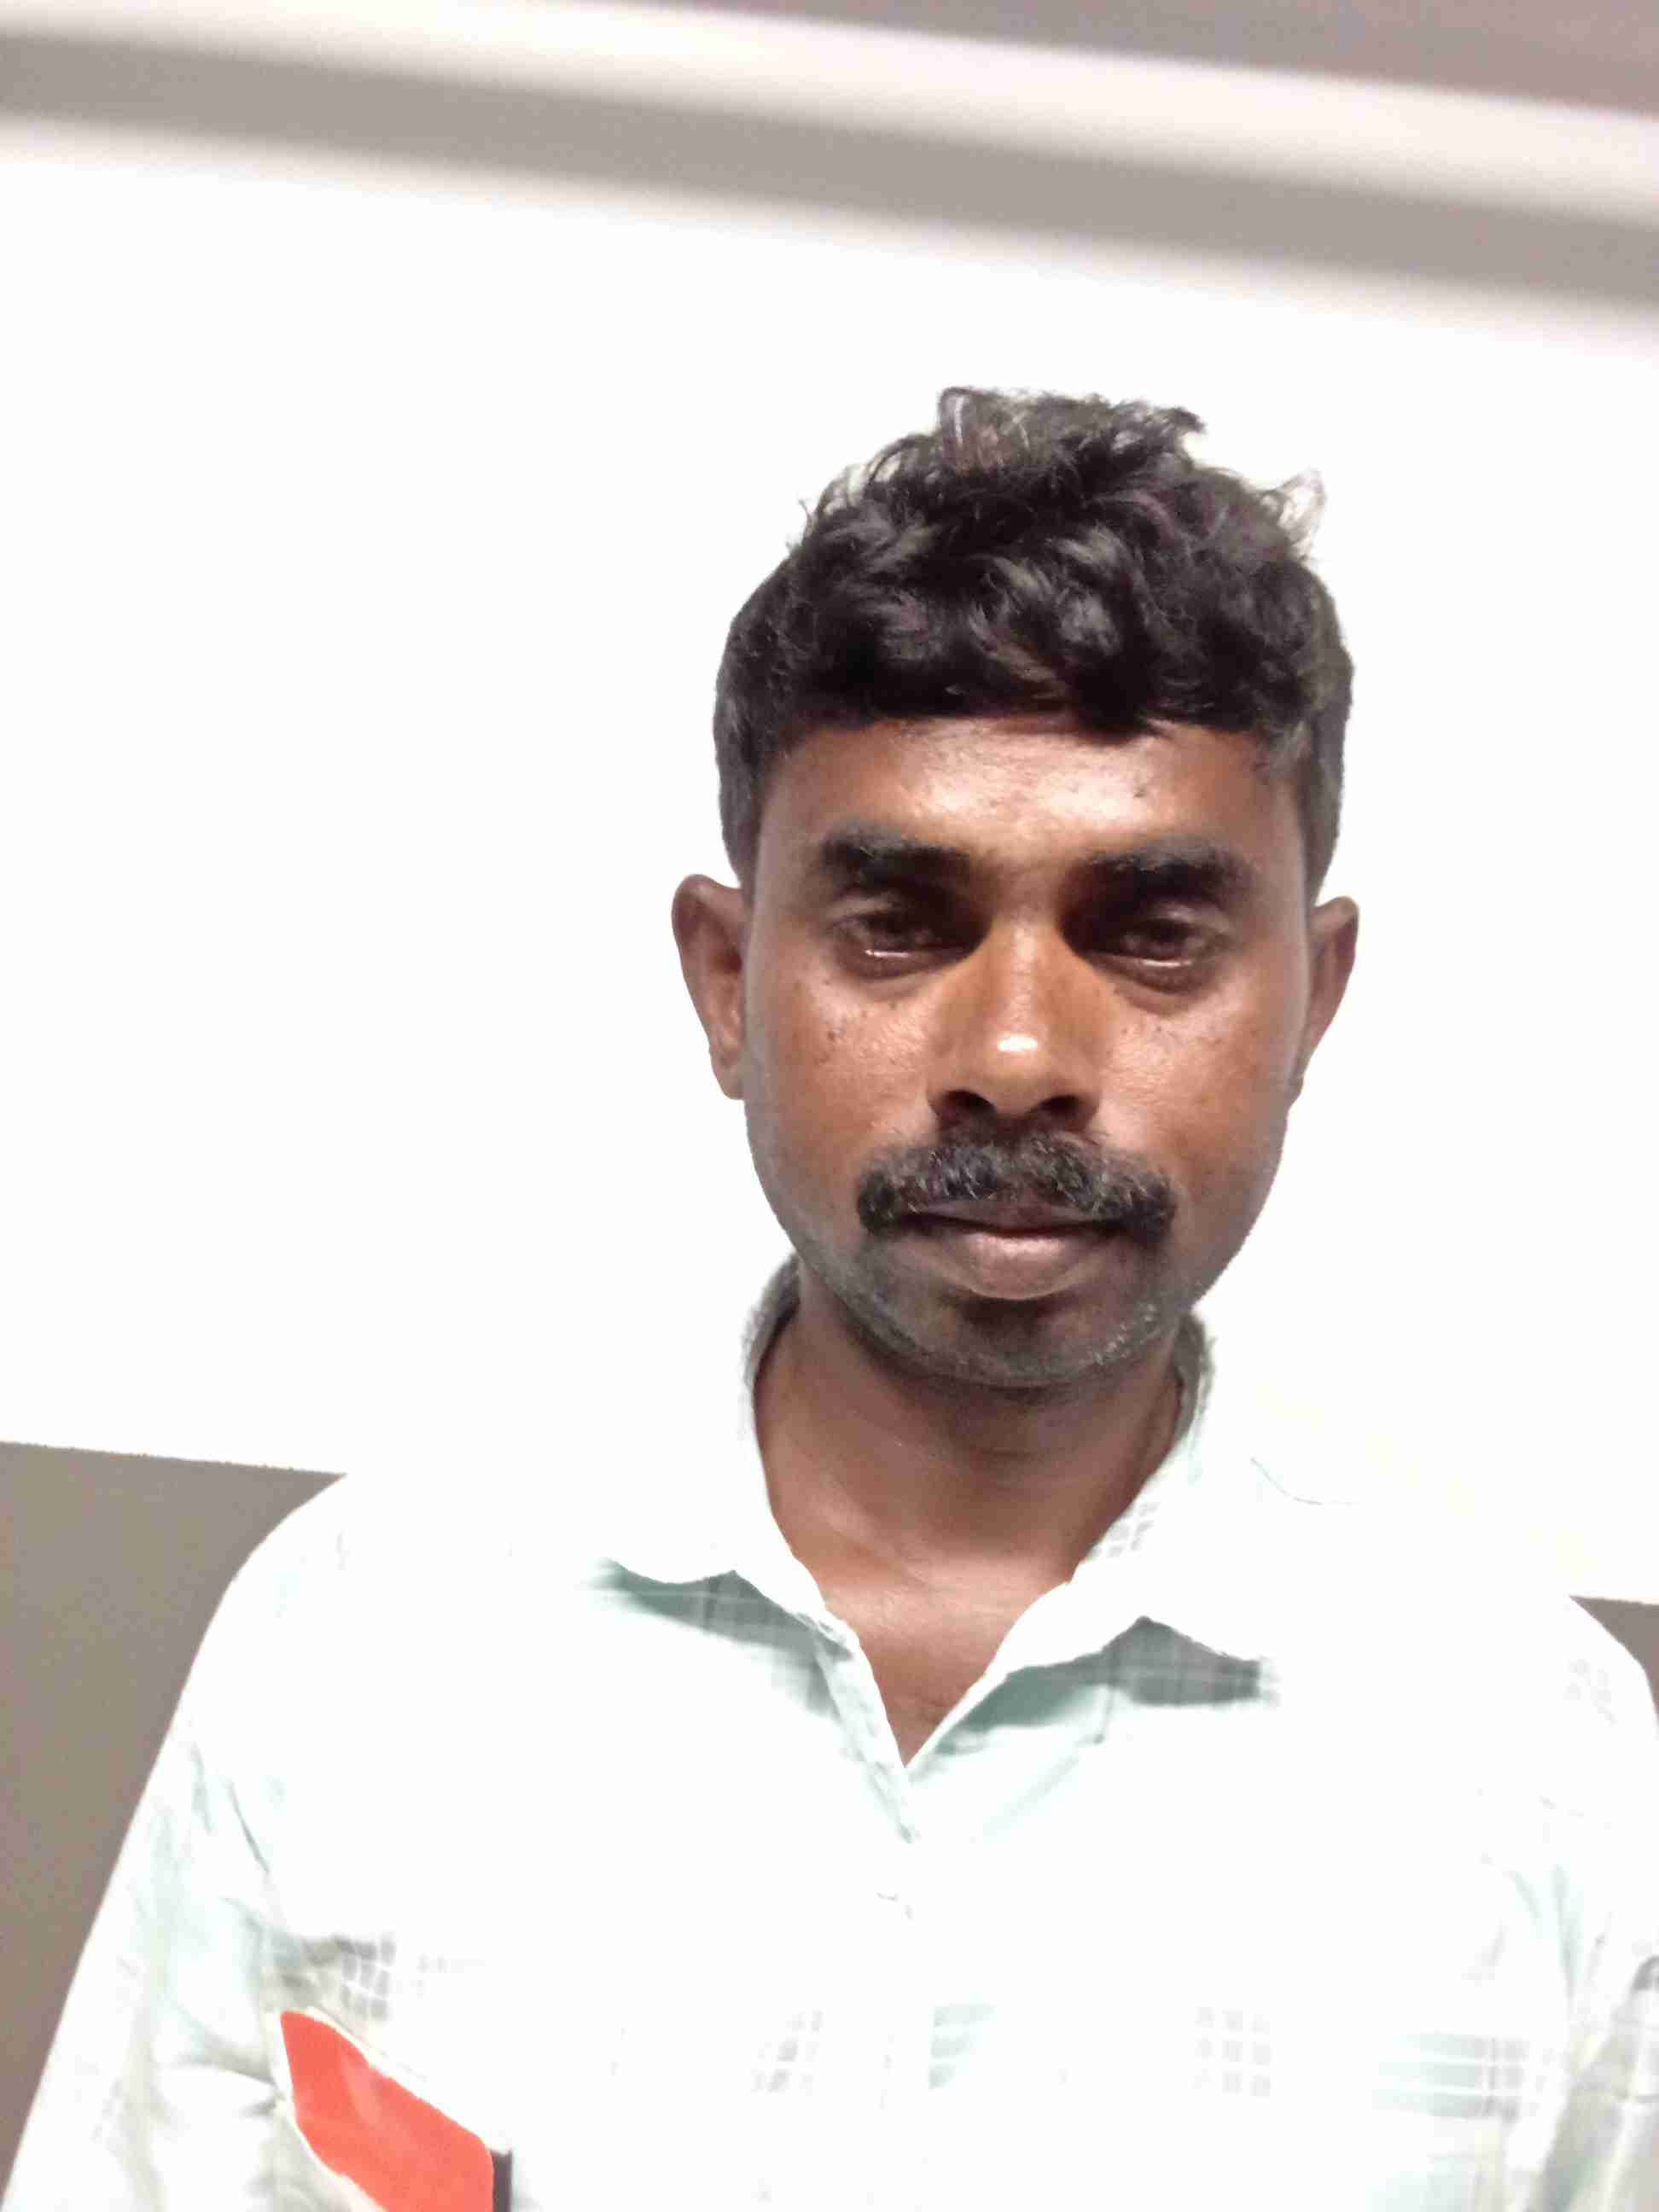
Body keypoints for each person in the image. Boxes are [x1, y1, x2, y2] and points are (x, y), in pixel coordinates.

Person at [7, 387, 1656, 2211]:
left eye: (1152, 936)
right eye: (899, 925)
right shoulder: (354, 1647)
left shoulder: (1550, 1770)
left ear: (1312, 1004)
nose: (1017, 1056)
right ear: (728, 984)